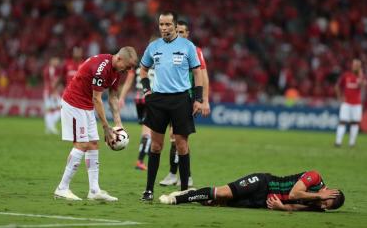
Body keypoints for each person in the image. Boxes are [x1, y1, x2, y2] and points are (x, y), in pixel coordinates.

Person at [54, 46, 138, 201]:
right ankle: (62, 188)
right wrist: (106, 127)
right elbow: (97, 98)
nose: (127, 70)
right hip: (74, 104)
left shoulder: (117, 71)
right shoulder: (102, 69)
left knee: (93, 144)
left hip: (86, 106)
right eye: (127, 66)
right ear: (119, 58)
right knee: (82, 144)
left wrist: (118, 125)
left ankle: (94, 190)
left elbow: (113, 97)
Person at [139, 11, 204, 201]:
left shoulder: (187, 46)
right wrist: (146, 91)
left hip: (181, 100)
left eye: (168, 25)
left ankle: (184, 191)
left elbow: (197, 73)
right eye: (161, 25)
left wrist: (198, 99)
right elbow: (143, 69)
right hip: (158, 100)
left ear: (175, 26)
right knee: (156, 146)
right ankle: (149, 190)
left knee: (182, 145)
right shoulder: (153, 47)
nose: (164, 28)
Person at [160, 20, 211, 188]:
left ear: (187, 34)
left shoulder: (194, 51)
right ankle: (175, 174)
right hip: (171, 98)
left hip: (188, 99)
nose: (180, 35)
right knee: (173, 137)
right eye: (177, 31)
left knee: (179, 137)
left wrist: (204, 100)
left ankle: (184, 176)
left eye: (182, 32)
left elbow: (203, 76)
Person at [159, 170, 345, 212]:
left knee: (216, 203)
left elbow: (295, 206)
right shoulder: (315, 177)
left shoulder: (317, 206)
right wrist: (318, 195)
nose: (321, 203)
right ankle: (177, 199)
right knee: (223, 193)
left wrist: (281, 208)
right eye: (325, 200)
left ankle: (191, 193)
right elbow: (295, 194)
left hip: (263, 202)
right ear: (330, 191)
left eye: (324, 205)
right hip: (263, 183)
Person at [119, 66, 155, 171]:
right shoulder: (159, 60)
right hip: (150, 98)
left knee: (147, 130)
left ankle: (148, 154)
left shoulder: (138, 63)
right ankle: (140, 161)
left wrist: (122, 97)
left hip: (139, 98)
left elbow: (129, 81)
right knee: (148, 131)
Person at [335, 58, 365, 147]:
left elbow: (363, 85)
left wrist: (360, 76)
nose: (355, 66)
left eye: (357, 65)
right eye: (354, 65)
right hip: (346, 103)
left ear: (360, 67)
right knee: (342, 121)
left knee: (355, 122)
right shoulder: (346, 75)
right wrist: (339, 97)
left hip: (357, 104)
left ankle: (351, 143)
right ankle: (338, 142)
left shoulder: (361, 77)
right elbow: (337, 86)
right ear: (352, 66)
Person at [43, 56, 62, 135]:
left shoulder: (52, 69)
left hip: (50, 91)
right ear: (52, 61)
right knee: (59, 109)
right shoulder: (50, 70)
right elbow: (51, 82)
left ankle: (48, 128)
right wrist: (53, 91)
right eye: (56, 60)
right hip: (50, 92)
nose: (58, 62)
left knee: (51, 110)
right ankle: (51, 126)